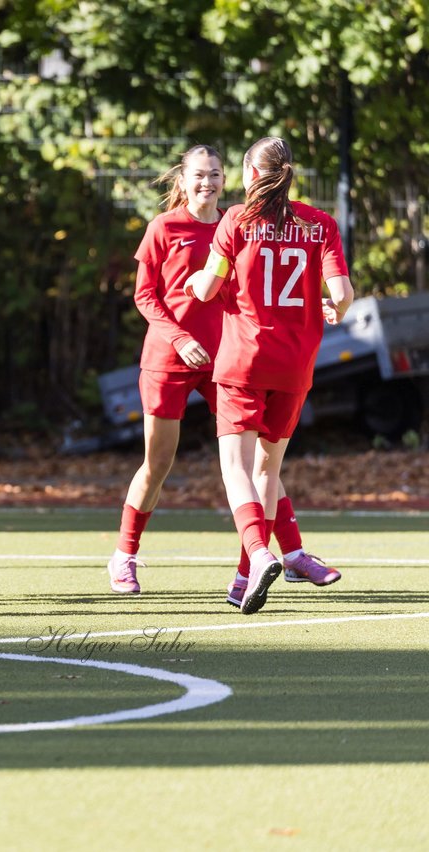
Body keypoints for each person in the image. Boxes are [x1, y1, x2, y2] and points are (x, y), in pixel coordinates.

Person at [187, 136, 353, 615]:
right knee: (269, 470)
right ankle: (244, 577)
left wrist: (197, 282)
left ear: (248, 174)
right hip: (296, 363)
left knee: (235, 467)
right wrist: (330, 306)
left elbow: (208, 286)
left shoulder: (237, 220)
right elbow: (342, 293)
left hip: (244, 358)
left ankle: (260, 555)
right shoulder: (319, 224)